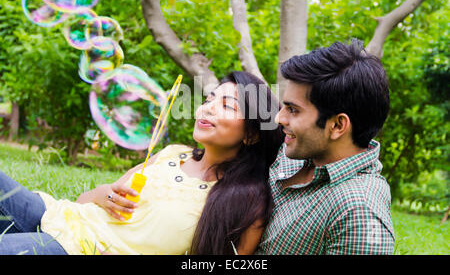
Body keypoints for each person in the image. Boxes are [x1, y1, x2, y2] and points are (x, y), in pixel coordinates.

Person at [0, 71, 284, 255]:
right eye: (210, 99)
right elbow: (83, 201)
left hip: (79, 249)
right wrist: (102, 194)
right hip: (54, 215)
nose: (207, 107)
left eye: (226, 105)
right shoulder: (173, 153)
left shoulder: (246, 200)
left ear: (252, 134)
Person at [256, 39, 395, 255]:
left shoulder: (358, 212)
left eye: (293, 110)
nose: (279, 118)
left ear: (338, 125)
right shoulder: (296, 154)